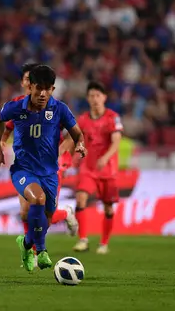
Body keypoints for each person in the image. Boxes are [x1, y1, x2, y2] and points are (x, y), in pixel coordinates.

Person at [0, 65, 86, 272]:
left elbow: (77, 134)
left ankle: (26, 244)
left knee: (46, 219)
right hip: (24, 170)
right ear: (30, 87)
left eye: (48, 89)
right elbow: (0, 121)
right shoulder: (16, 107)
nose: (42, 94)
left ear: (52, 89)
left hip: (50, 173)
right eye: (38, 88)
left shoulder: (59, 109)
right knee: (35, 202)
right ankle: (41, 251)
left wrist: (79, 144)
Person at [73, 81, 123, 255]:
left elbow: (116, 141)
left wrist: (106, 157)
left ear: (104, 98)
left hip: (108, 170)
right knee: (80, 198)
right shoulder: (82, 119)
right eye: (91, 96)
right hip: (88, 168)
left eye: (98, 95)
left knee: (108, 208)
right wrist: (74, 155)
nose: (95, 99)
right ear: (87, 98)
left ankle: (104, 243)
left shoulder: (112, 117)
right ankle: (83, 240)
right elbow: (76, 140)